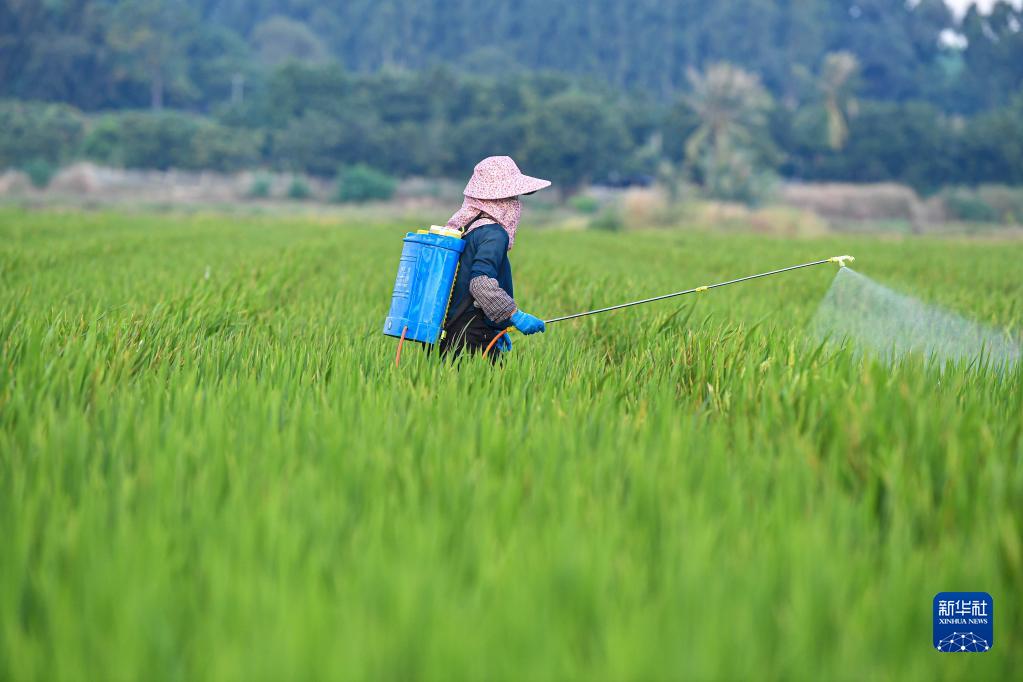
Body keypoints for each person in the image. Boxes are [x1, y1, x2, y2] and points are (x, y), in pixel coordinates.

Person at [439, 156, 550, 360]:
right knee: (492, 389)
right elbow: (480, 283)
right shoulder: (494, 233)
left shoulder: (468, 229)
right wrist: (514, 315)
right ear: (501, 199)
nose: (516, 204)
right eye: (513, 197)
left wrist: (498, 325)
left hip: (450, 334)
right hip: (473, 337)